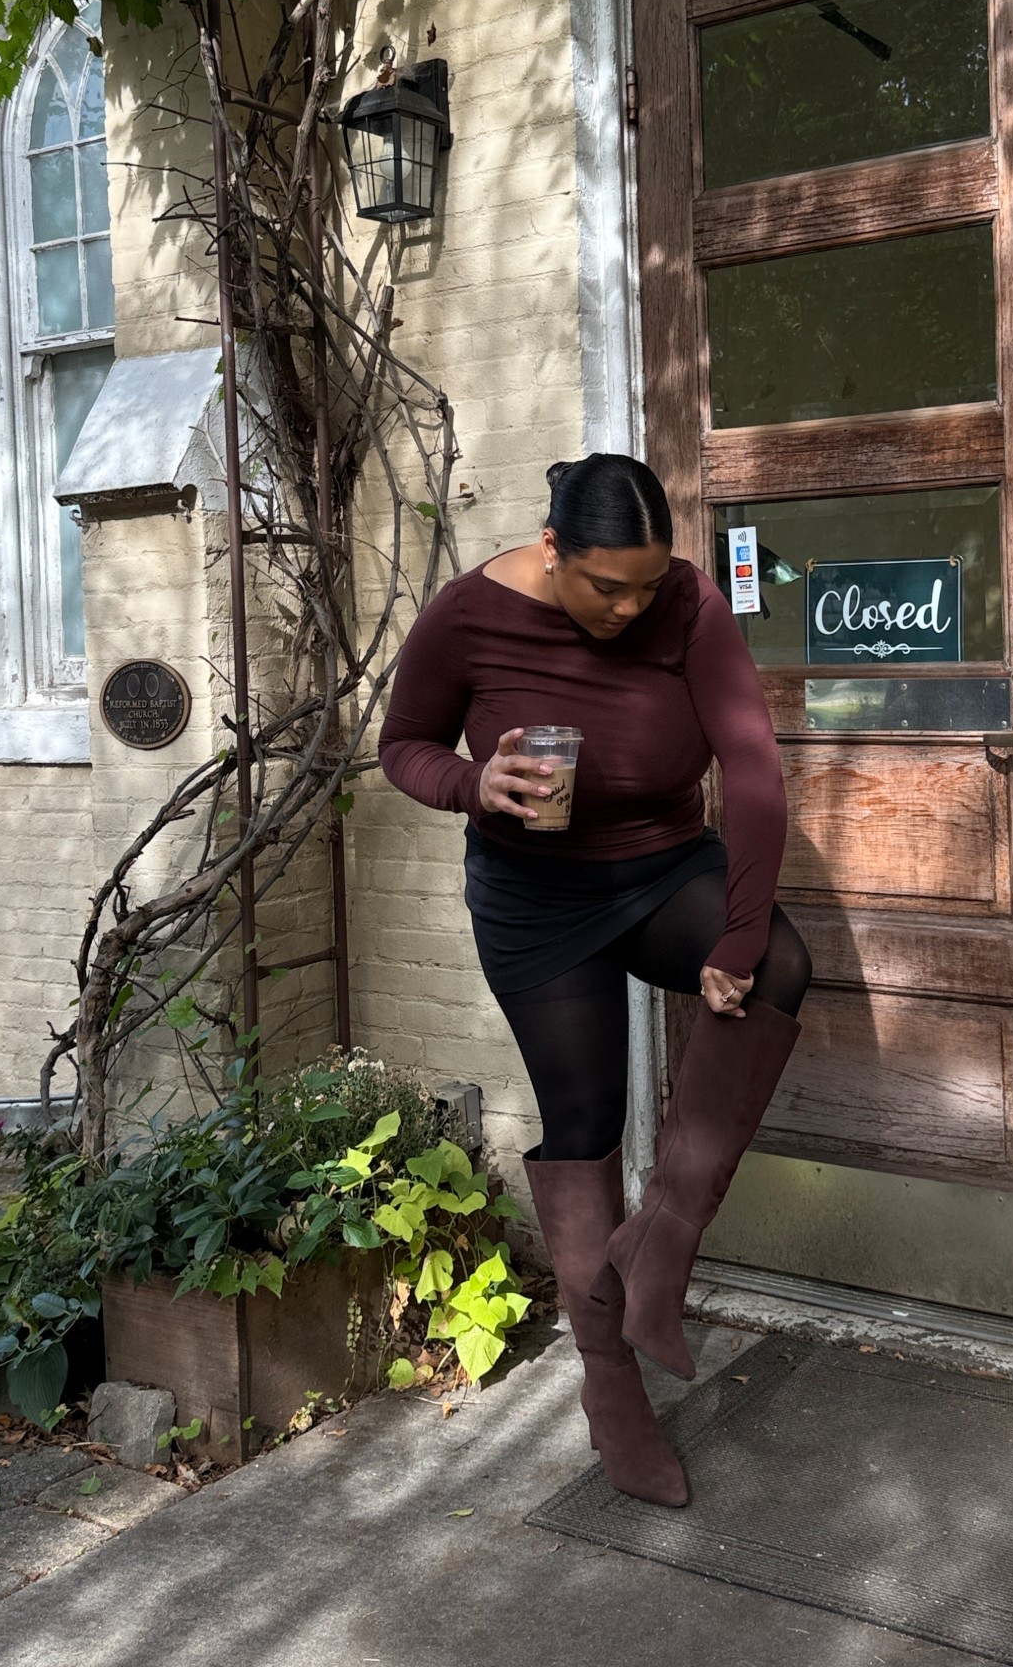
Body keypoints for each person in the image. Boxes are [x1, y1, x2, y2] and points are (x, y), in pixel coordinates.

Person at [379, 453, 810, 1508]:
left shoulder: (687, 604)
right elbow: (404, 745)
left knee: (781, 964)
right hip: (536, 900)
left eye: (646, 584)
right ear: (551, 546)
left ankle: (659, 1245)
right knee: (583, 1119)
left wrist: (735, 940)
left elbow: (752, 769)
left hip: (664, 870)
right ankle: (610, 1381)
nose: (629, 607)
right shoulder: (467, 614)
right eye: (606, 586)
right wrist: (475, 782)